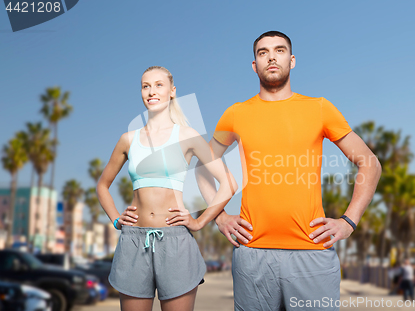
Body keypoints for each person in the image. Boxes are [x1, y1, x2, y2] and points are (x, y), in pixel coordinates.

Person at [194, 31, 382, 310]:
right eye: (262, 52)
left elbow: (370, 162)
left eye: (279, 50)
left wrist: (348, 221)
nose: (271, 56)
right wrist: (220, 218)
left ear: (292, 61)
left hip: (312, 255)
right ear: (254, 65)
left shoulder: (319, 108)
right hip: (252, 256)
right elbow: (201, 169)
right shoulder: (236, 113)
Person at [96, 66, 236, 311]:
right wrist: (117, 219)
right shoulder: (128, 139)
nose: (151, 91)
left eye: (159, 85)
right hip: (133, 242)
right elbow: (102, 185)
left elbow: (229, 183)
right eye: (146, 86)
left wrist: (200, 221)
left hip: (175, 242)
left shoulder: (188, 136)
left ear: (172, 91)